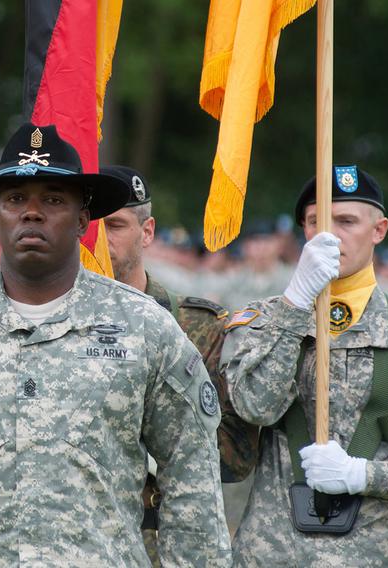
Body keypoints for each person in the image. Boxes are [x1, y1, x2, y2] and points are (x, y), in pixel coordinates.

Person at [0, 122, 231, 566]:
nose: (32, 213)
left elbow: (191, 472)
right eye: (16, 199)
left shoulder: (143, 328)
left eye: (54, 199)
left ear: (83, 220)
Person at [221, 166, 388, 566]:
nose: (329, 235)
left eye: (346, 222)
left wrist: (364, 475)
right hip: (274, 554)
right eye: (315, 223)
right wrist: (293, 305)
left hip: (377, 556)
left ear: (379, 230)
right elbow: (255, 406)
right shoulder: (263, 320)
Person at [101, 164, 259, 563]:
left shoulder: (194, 326)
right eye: (89, 225)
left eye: (115, 225)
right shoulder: (49, 322)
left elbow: (235, 456)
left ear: (148, 232)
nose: (99, 238)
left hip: (160, 538)